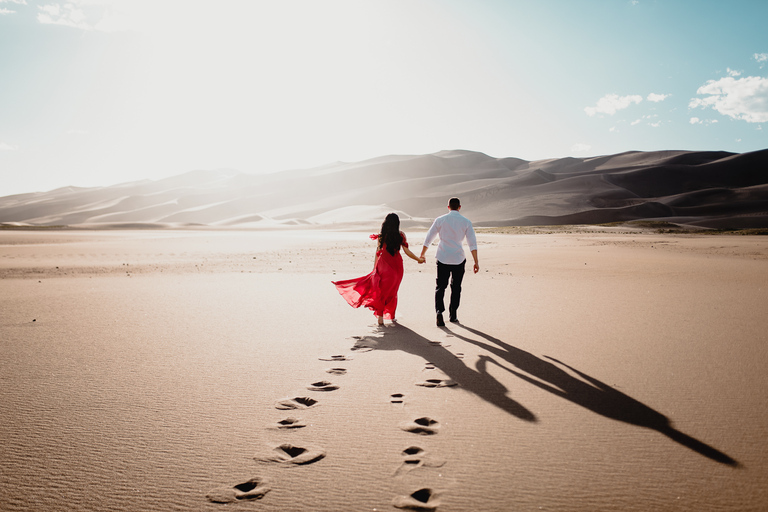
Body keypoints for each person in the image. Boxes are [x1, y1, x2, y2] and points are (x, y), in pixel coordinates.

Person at [333, 213, 424, 326]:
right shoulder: (401, 235)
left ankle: (380, 318)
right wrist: (418, 259)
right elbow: (407, 251)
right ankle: (392, 315)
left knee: (381, 291)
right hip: (397, 267)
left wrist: (375, 267)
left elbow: (378, 252)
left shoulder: (382, 236)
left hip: (383, 265)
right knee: (392, 291)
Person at [420, 197, 478, 326]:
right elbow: (472, 243)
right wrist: (476, 261)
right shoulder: (466, 222)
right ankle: (453, 315)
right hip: (458, 258)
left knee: (440, 286)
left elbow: (429, 237)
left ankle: (439, 312)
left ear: (448, 207)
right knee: (456, 287)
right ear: (459, 207)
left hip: (442, 257)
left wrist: (422, 254)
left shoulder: (440, 220)